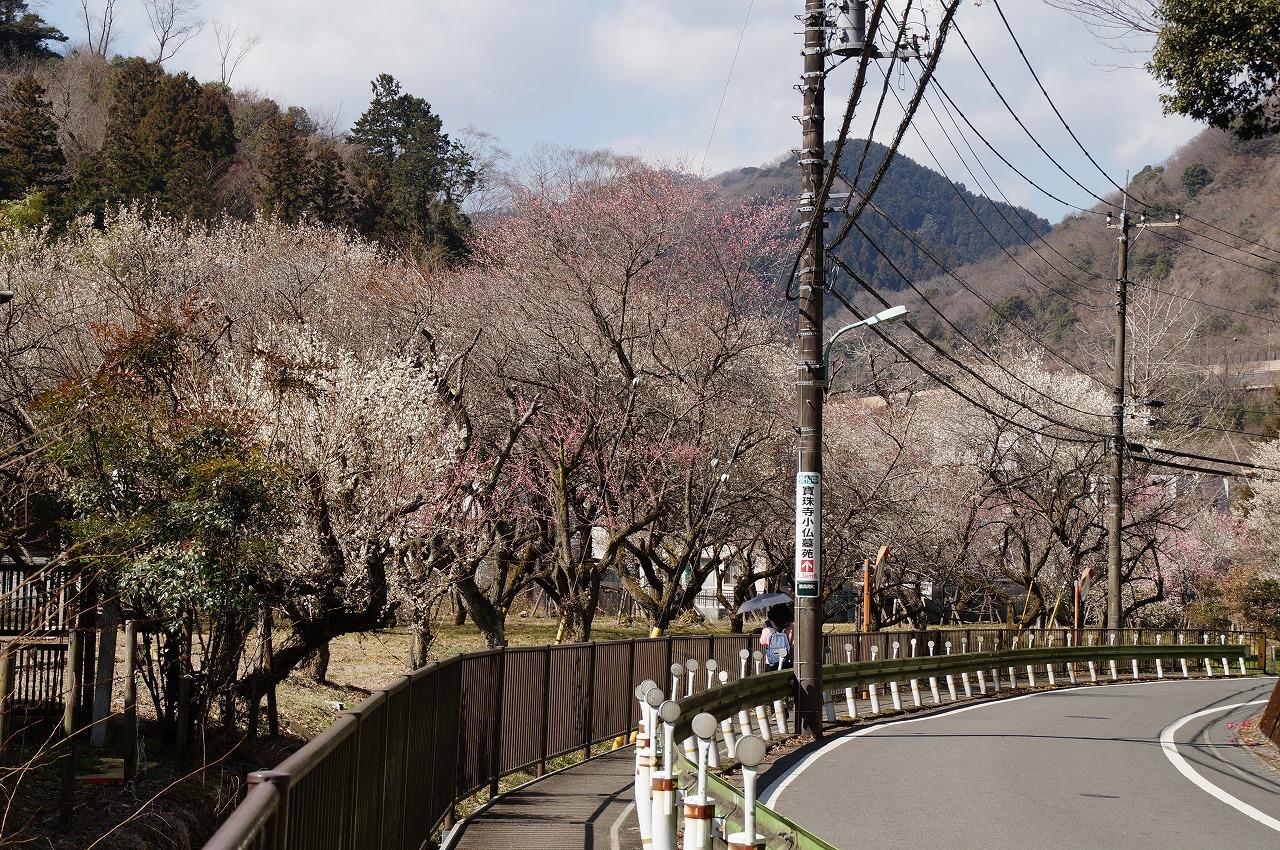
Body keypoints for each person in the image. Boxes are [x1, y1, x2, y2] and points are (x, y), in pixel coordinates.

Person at [760, 604, 794, 671]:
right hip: (787, 660)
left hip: (771, 661)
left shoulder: (767, 624)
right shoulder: (790, 625)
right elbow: (793, 643)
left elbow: (763, 642)